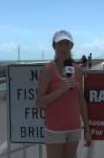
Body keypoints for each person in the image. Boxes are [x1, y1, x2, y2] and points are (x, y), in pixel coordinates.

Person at [36, 30, 92, 158]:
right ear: (54, 46)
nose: (64, 47)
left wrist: (87, 129)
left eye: (67, 43)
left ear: (71, 46)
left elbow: (81, 100)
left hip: (74, 127)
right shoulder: (48, 70)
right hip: (54, 128)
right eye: (60, 44)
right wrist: (61, 90)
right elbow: (39, 102)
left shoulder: (77, 70)